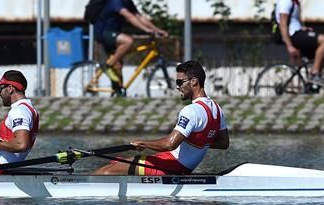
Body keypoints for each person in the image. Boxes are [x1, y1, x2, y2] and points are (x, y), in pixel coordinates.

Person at [92, 60, 228, 175]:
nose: (177, 87)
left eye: (180, 82)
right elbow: (223, 143)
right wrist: (200, 141)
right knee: (116, 162)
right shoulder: (218, 110)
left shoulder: (191, 111)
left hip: (170, 165)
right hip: (181, 167)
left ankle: (84, 187)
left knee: (106, 171)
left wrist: (143, 143)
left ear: (193, 82)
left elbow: (169, 144)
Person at [93, 0, 168, 89]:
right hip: (104, 32)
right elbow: (129, 16)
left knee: (119, 65)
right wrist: (145, 30)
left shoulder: (128, 2)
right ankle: (107, 66)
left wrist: (156, 30)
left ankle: (118, 92)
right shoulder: (116, 0)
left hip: (114, 33)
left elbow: (140, 17)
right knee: (128, 41)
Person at [275, 0, 324, 86]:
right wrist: (289, 46)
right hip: (293, 35)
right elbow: (283, 24)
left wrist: (303, 28)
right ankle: (314, 74)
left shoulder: (294, 1)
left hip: (298, 32)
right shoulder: (286, 1)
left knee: (322, 57)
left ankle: (311, 84)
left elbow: (293, 21)